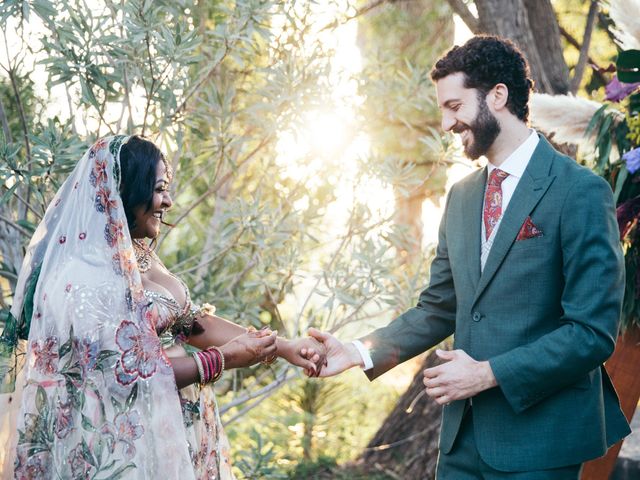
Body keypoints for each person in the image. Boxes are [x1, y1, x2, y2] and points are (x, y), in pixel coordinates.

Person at [308, 35, 631, 479]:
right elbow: (439, 307)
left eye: (454, 106)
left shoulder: (580, 191)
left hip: (541, 440)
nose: (446, 123)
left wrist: (488, 374)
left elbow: (591, 332)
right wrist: (359, 351)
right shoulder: (461, 197)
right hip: (461, 441)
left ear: (498, 95)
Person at [0, 135, 324, 479]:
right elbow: (126, 373)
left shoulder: (136, 254)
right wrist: (222, 360)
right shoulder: (80, 277)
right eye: (158, 189)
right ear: (126, 190)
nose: (167, 201)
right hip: (117, 452)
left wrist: (285, 347)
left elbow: (192, 323)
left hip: (169, 435)